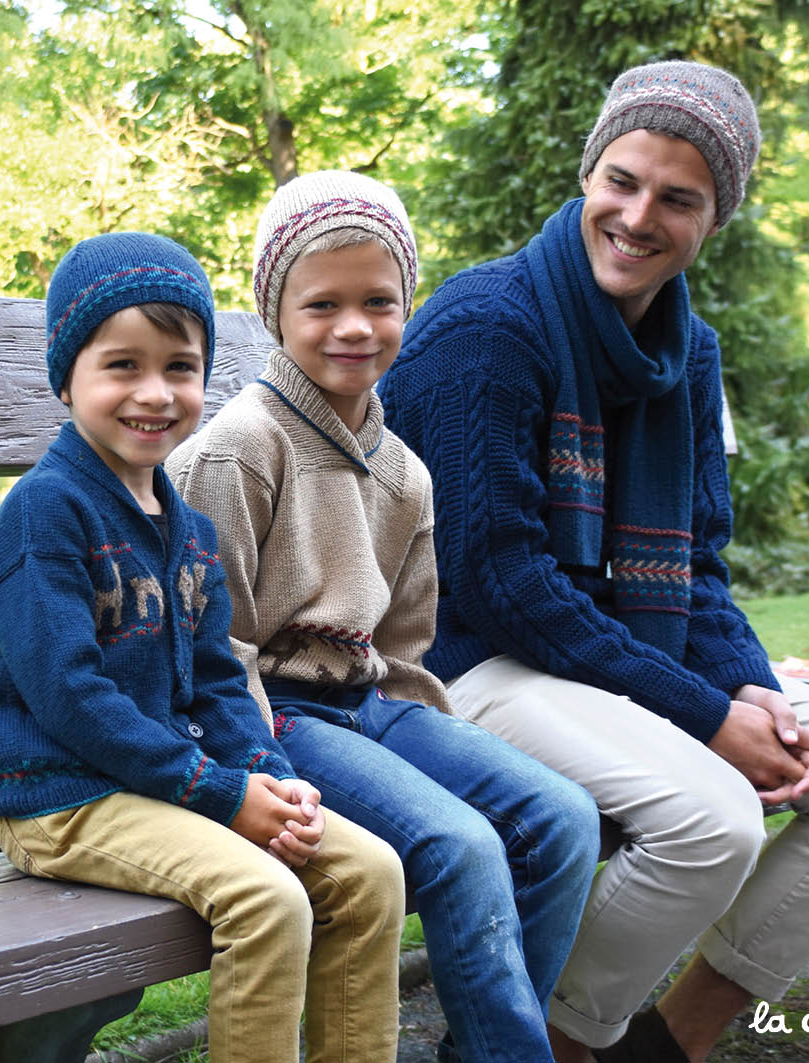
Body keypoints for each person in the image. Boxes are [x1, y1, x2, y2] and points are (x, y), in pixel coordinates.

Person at [379, 60, 809, 1063]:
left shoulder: (688, 353)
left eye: (676, 199)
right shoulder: (487, 329)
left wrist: (753, 693)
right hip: (465, 659)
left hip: (612, 654)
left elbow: (698, 561)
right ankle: (524, 1044)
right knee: (714, 817)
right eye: (621, 180)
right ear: (588, 175)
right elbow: (496, 582)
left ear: (710, 221)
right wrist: (704, 716)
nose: (638, 216)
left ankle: (665, 1045)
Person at [167, 170, 601, 1063]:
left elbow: (402, 649)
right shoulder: (240, 450)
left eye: (380, 300)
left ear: (407, 303)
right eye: (323, 303)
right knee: (461, 846)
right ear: (275, 312)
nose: (355, 326)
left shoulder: (403, 471)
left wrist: (440, 753)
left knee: (562, 819)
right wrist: (255, 770)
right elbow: (213, 650)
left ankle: (480, 1047)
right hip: (266, 714)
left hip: (365, 704)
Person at [0, 231, 405, 1063]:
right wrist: (216, 790)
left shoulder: (189, 532)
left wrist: (269, 777)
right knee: (266, 898)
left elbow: (216, 682)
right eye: (122, 365)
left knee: (369, 871)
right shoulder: (45, 512)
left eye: (180, 366)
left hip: (156, 783)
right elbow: (69, 695)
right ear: (68, 377)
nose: (154, 392)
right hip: (58, 795)